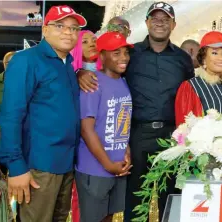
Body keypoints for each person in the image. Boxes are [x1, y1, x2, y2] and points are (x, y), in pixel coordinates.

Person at [76, 2, 195, 221]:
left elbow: (190, 94)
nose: (160, 23)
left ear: (174, 24)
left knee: (170, 198)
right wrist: (81, 72)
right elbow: (105, 70)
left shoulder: (182, 59)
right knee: (135, 200)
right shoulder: (131, 53)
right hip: (137, 135)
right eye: (155, 18)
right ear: (147, 22)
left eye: (165, 19)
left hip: (172, 137)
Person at [0, 5, 86, 221]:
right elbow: (10, 116)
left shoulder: (67, 64)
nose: (68, 32)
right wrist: (16, 167)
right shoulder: (27, 60)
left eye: (74, 28)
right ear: (45, 29)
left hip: (65, 164)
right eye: (60, 26)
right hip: (38, 166)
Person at [76, 32, 133, 222]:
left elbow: (121, 121)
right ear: (101, 56)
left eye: (125, 52)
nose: (123, 58)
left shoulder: (122, 82)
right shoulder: (92, 83)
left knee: (108, 217)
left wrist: (126, 150)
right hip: (95, 168)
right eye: (116, 53)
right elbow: (86, 129)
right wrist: (108, 164)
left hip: (117, 167)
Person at [69, 29, 100, 222]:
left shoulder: (110, 73)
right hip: (79, 142)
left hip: (103, 142)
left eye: (94, 40)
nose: (91, 44)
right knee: (79, 195)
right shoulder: (72, 74)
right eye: (85, 41)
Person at [175, 31, 222, 126]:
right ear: (203, 58)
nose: (220, 58)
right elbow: (183, 129)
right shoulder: (190, 87)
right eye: (214, 53)